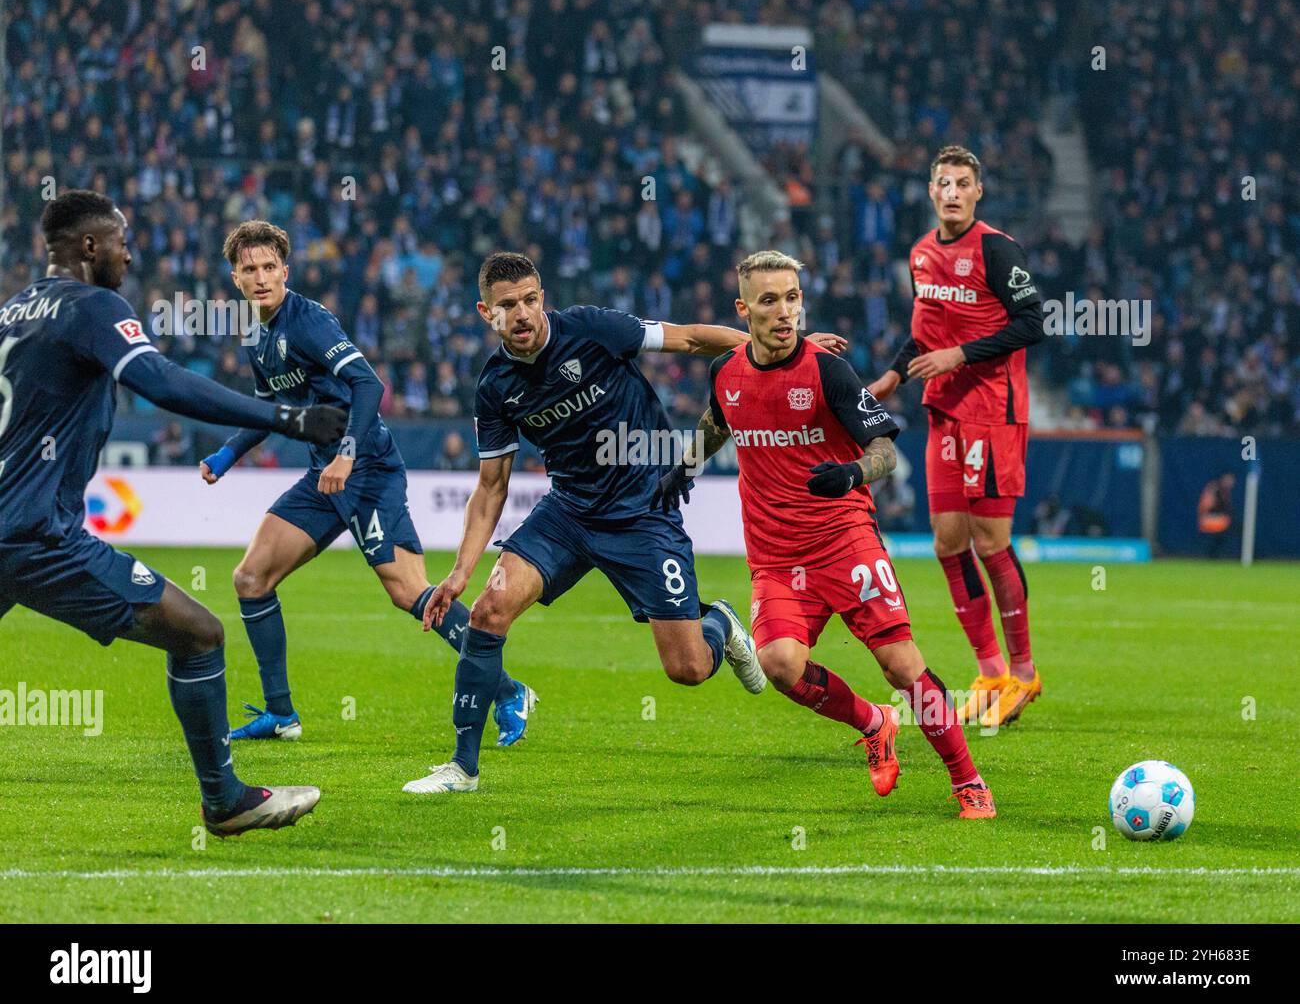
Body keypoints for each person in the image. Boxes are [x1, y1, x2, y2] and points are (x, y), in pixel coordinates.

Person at [407, 251, 848, 794]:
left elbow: (687, 339)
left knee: (686, 668)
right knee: (488, 612)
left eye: (529, 301)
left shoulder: (592, 329)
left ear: (542, 298)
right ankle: (462, 769)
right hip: (568, 511)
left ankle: (721, 624)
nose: (520, 314)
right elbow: (492, 485)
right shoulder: (495, 385)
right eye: (506, 307)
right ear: (484, 313)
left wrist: (786, 350)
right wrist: (458, 574)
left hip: (643, 510)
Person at [0, 190, 347, 835]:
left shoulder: (13, 312)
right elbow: (162, 383)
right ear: (88, 246)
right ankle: (226, 801)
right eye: (122, 240)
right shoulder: (94, 305)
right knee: (198, 634)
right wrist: (288, 417)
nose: (130, 254)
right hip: (35, 532)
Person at [657, 250, 996, 818]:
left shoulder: (827, 370)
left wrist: (852, 472)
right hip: (775, 557)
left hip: (845, 541)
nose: (785, 311)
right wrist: (684, 468)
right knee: (779, 664)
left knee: (901, 665)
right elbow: (718, 422)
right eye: (770, 300)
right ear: (744, 309)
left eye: (793, 297)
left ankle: (968, 781)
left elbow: (886, 451)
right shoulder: (726, 372)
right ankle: (874, 722)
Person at [198, 222, 534, 745]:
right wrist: (226, 453)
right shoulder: (255, 333)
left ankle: (509, 691)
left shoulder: (308, 322)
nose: (261, 277)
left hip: (366, 468)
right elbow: (270, 405)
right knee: (250, 578)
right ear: (235, 277)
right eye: (250, 269)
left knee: (410, 593)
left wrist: (348, 455)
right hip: (324, 475)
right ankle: (280, 713)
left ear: (285, 272)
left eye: (269, 268)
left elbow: (368, 383)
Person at [868, 145, 1047, 729]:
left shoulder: (997, 249)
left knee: (991, 542)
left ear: (977, 192)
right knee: (948, 542)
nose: (951, 192)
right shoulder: (921, 254)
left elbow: (1032, 323)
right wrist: (893, 375)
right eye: (942, 182)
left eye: (962, 183)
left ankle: (1024, 672)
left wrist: (960, 354)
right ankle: (989, 669)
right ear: (929, 190)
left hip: (995, 412)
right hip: (943, 411)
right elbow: (923, 334)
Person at [1197, 473, 1234, 558]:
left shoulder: (1225, 492)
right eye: (1229, 478)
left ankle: (1213, 554)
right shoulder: (1214, 489)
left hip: (1221, 519)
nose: (1231, 482)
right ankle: (1212, 554)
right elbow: (1207, 507)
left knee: (1234, 528)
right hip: (1211, 518)